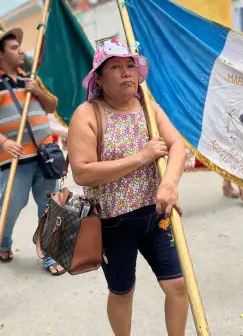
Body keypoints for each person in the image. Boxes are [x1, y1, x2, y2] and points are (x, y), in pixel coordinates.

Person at [67, 39, 188, 336]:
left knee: (178, 286)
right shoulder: (87, 114)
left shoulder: (148, 106)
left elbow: (177, 146)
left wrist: (170, 184)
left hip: (157, 215)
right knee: (122, 291)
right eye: (116, 67)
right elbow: (82, 172)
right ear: (99, 77)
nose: (126, 73)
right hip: (113, 223)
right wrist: (141, 158)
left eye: (130, 66)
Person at [0, 28, 65, 275]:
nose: (21, 50)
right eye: (14, 48)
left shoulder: (31, 78)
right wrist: (3, 142)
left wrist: (37, 91)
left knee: (48, 206)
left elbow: (52, 106)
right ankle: (2, 242)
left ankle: (47, 252)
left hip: (46, 154)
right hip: (14, 157)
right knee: (12, 205)